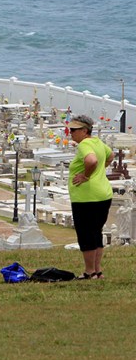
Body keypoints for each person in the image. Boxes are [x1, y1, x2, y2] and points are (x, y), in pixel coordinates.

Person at [68, 115, 113, 279]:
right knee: (96, 232)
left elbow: (92, 160)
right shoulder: (97, 142)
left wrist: (86, 176)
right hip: (103, 194)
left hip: (87, 197)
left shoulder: (85, 144)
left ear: (84, 131)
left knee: (86, 234)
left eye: (73, 130)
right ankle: (97, 271)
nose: (70, 133)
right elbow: (110, 155)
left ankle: (88, 272)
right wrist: (100, 171)